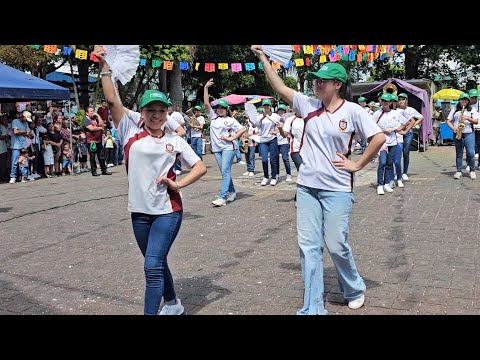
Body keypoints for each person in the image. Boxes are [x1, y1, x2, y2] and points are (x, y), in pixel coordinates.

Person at [251, 45, 385, 315]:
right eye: (315, 79)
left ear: (338, 84)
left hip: (338, 189)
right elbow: (279, 87)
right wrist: (264, 59)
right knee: (308, 247)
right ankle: (312, 307)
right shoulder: (308, 105)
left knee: (336, 244)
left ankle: (354, 287)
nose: (317, 84)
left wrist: (357, 164)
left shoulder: (354, 112)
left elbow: (379, 138)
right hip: (307, 188)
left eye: (323, 80)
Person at [94, 45, 207, 315]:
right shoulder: (129, 131)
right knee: (154, 261)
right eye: (150, 110)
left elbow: (200, 167)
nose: (156, 115)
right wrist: (103, 65)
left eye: (161, 110)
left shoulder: (175, 140)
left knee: (151, 266)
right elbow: (112, 101)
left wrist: (178, 184)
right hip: (139, 212)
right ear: (141, 112)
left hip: (168, 211)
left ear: (167, 112)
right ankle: (173, 303)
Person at [203, 78, 246, 206]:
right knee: (224, 171)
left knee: (225, 171)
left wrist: (232, 138)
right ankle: (232, 191)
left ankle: (222, 197)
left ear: (227, 109)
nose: (220, 109)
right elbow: (206, 103)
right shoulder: (213, 117)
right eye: (218, 108)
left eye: (222, 108)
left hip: (228, 148)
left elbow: (243, 129)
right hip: (216, 149)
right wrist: (206, 88)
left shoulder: (231, 120)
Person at [446, 93, 479, 180]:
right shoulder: (455, 109)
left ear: (468, 101)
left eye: (465, 100)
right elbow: (448, 121)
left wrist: (467, 118)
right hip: (458, 133)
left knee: (471, 153)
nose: (464, 101)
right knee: (459, 153)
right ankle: (459, 171)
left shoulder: (472, 109)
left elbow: (476, 121)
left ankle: (472, 170)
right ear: (459, 100)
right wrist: (453, 128)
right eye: (462, 99)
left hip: (469, 133)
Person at [397, 93, 423, 181]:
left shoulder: (411, 109)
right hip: (399, 133)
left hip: (408, 133)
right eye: (399, 99)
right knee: (398, 153)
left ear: (406, 101)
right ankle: (398, 172)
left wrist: (414, 124)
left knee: (406, 152)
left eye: (403, 99)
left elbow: (421, 117)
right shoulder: (396, 110)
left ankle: (405, 172)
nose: (401, 101)